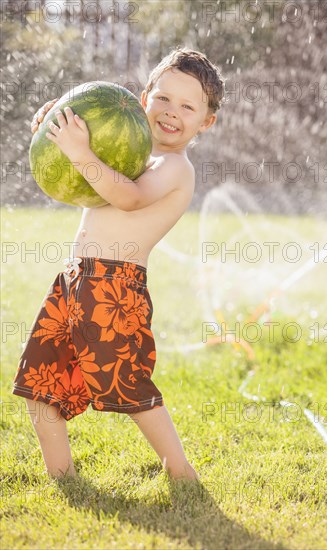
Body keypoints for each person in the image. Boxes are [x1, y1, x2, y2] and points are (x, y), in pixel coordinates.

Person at [12, 47, 225, 481]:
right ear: (144, 96)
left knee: (127, 385)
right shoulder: (128, 150)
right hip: (73, 281)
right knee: (39, 382)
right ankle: (62, 478)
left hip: (114, 289)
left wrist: (80, 152)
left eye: (187, 106)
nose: (170, 112)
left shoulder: (174, 168)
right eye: (162, 98)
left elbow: (128, 197)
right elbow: (84, 156)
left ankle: (181, 471)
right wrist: (56, 126)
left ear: (206, 122)